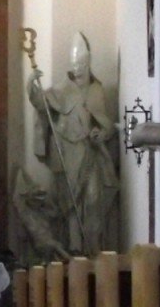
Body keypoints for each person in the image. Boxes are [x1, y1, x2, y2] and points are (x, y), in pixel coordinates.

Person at [27, 32, 119, 256]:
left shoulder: (97, 90)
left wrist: (102, 133)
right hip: (68, 157)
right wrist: (32, 83)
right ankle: (75, 251)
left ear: (88, 64)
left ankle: (94, 249)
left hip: (91, 156)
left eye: (81, 64)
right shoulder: (61, 90)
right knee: (70, 206)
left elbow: (106, 123)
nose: (77, 68)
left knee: (94, 200)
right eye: (74, 64)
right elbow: (40, 103)